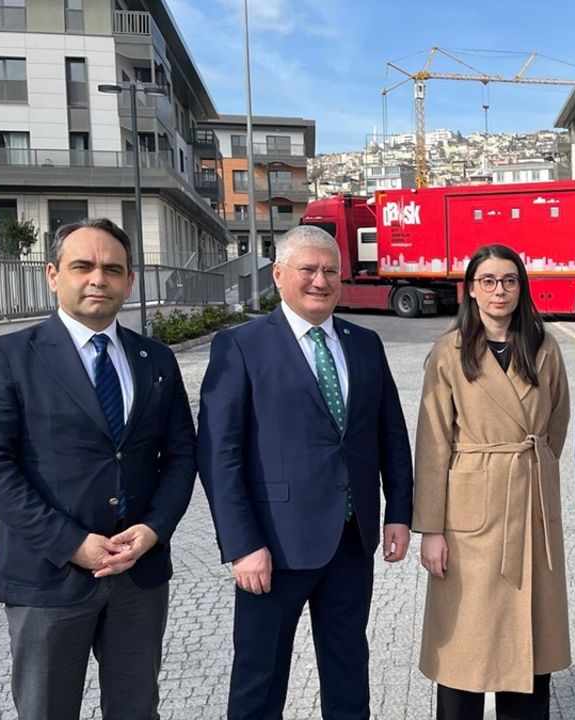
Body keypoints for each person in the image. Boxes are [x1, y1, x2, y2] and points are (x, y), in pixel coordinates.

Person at [0, 218, 196, 720]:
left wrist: (154, 530)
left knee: (137, 710)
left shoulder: (155, 359)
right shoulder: (9, 356)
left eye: (112, 269)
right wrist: (71, 543)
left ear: (130, 281)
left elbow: (181, 455)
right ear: (53, 275)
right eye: (82, 266)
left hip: (138, 574)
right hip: (48, 573)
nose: (98, 279)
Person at [197, 225, 414, 720]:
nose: (321, 280)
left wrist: (399, 512)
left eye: (331, 271)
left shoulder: (365, 343)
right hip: (273, 546)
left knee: (348, 672)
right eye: (309, 269)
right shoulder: (240, 346)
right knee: (259, 680)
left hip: (350, 540)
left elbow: (391, 435)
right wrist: (242, 544)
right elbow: (218, 453)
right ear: (278, 274)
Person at [413, 244, 572, 719]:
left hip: (531, 506)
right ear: (471, 290)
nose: (498, 290)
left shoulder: (544, 347)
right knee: (464, 644)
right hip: (469, 516)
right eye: (487, 281)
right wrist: (431, 529)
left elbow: (556, 424)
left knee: (530, 642)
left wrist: (533, 467)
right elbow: (432, 443)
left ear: (521, 288)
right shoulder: (449, 352)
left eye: (508, 280)